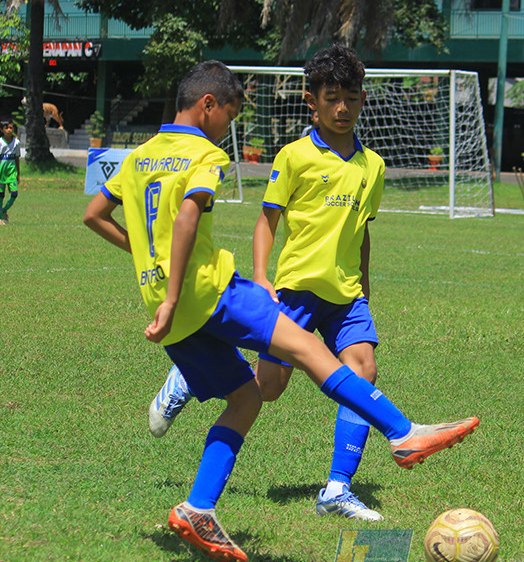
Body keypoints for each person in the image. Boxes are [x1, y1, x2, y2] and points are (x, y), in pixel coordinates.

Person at [83, 60, 479, 562]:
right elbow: (186, 216)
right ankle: (403, 434)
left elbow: (94, 215)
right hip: (211, 292)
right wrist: (177, 291)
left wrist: (155, 272)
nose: (228, 128)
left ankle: (198, 508)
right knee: (310, 351)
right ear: (208, 106)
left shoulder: (138, 157)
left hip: (172, 308)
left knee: (247, 397)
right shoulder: (205, 153)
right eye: (229, 116)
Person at [150, 44, 388, 523]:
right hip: (296, 289)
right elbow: (266, 221)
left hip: (345, 295)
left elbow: (363, 231)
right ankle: (192, 377)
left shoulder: (373, 166)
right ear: (311, 101)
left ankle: (338, 488)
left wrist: (364, 286)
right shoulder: (294, 156)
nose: (343, 107)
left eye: (352, 98)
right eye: (332, 97)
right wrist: (261, 277)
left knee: (364, 370)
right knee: (269, 388)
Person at [0, 119, 21, 225]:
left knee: (14, 194)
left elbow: (17, 159)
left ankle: (4, 210)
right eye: (6, 128)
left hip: (11, 173)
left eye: (11, 128)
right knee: (1, 195)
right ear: (2, 130)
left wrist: (18, 174)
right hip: (1, 174)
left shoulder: (16, 143)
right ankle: (0, 218)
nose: (9, 130)